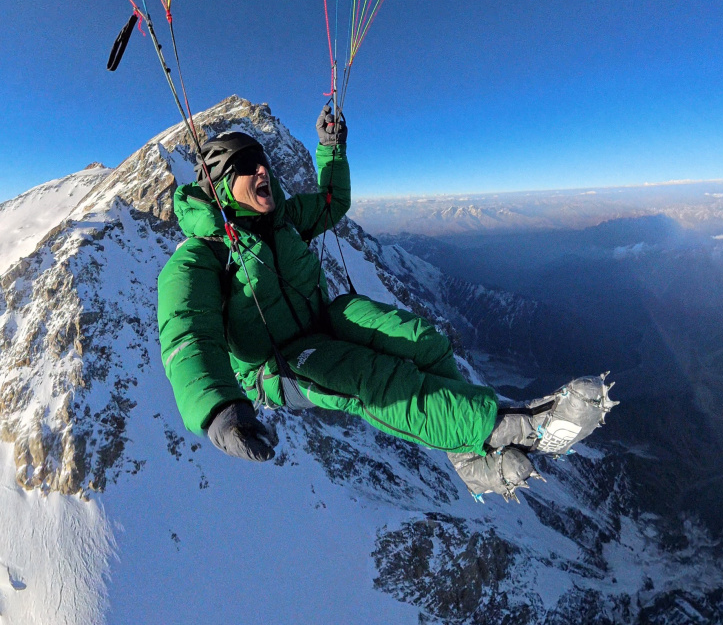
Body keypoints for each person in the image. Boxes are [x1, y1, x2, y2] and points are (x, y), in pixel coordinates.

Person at [157, 109, 618, 501]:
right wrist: (218, 410)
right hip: (275, 367)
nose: (262, 171)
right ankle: (514, 427)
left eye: (262, 162)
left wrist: (331, 149)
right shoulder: (201, 256)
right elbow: (186, 334)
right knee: (367, 375)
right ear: (219, 186)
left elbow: (333, 204)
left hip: (324, 322)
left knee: (422, 339)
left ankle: (466, 455)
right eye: (246, 166)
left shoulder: (286, 220)